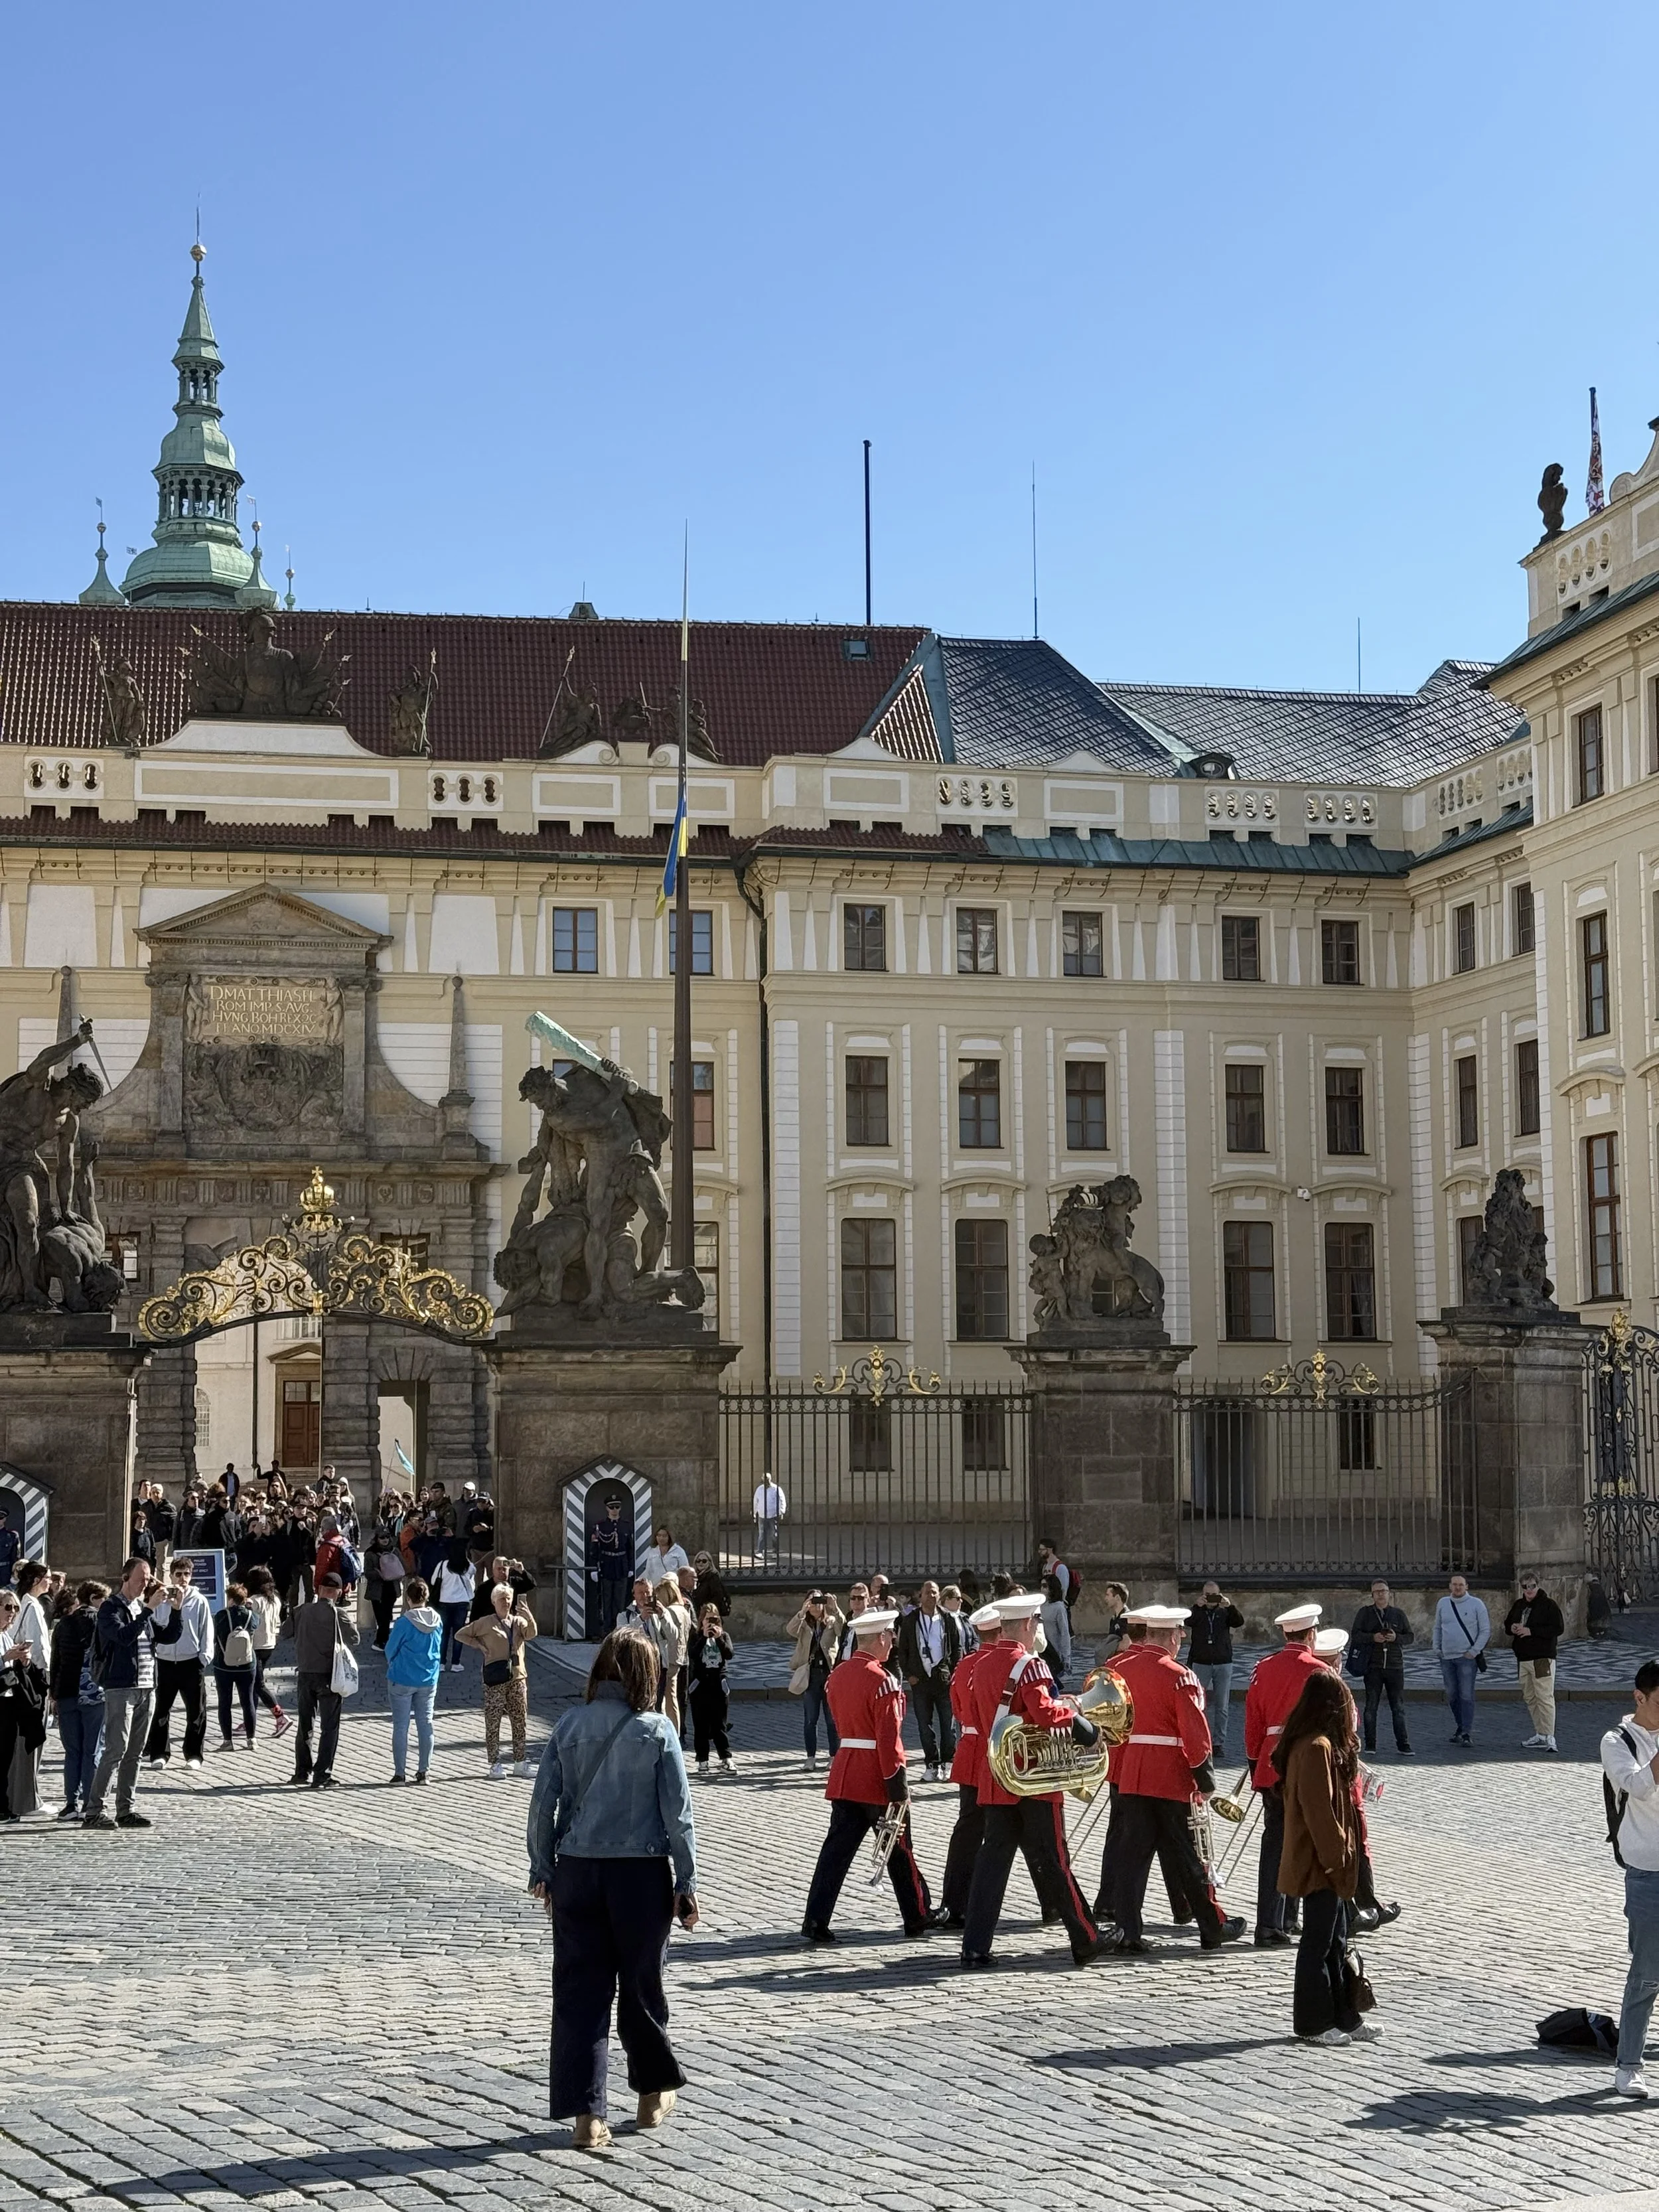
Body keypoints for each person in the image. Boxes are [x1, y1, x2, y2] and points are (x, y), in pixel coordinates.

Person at [528, 1629, 697, 2150]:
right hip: (640, 1875)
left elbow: (543, 1805)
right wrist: (687, 1880)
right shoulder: (658, 1729)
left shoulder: (569, 1723)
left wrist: (543, 1867)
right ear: (648, 1675)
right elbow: (679, 1815)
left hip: (578, 1869)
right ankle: (650, 2093)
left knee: (580, 1993)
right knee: (642, 1986)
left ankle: (587, 2116)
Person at [961, 1593, 1104, 1967]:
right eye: (1037, 1623)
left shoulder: (978, 1665)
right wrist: (1079, 1721)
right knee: (1053, 1859)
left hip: (997, 1775)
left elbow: (979, 1716)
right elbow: (1044, 1712)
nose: (1038, 1628)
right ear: (1027, 1625)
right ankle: (1085, 1938)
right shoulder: (1031, 1665)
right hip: (1033, 1777)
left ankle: (975, 1946)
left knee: (992, 1862)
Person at [1102, 1603, 1244, 1954]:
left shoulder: (1118, 1669)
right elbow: (1195, 1735)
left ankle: (1128, 1930)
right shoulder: (1179, 1676)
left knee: (1131, 1858)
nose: (1181, 1638)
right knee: (1189, 1856)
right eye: (1179, 1633)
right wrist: (1205, 1779)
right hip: (1169, 1776)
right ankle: (1212, 1925)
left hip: (1131, 1774)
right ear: (1169, 1635)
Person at [801, 1608, 942, 1941]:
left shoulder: (838, 1675)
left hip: (846, 1769)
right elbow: (889, 1740)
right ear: (880, 1638)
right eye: (890, 1635)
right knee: (899, 1847)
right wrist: (898, 1786)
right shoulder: (884, 1681)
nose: (893, 1640)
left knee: (835, 1853)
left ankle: (815, 1919)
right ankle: (917, 1915)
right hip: (876, 1776)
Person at [1275, 1670, 1376, 2049]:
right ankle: (1313, 2021)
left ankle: (1345, 2016)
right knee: (1318, 1943)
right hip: (1321, 1862)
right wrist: (1338, 1861)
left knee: (1336, 1940)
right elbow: (1320, 1813)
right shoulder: (1315, 1747)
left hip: (1329, 1862)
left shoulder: (1322, 1744)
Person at [1242, 1601, 1327, 1947]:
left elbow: (1252, 1725)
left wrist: (1254, 1764)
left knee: (1276, 1842)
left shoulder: (1262, 1669)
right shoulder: (1319, 1671)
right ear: (1311, 1634)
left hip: (1270, 1763)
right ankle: (1299, 1917)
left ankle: (1272, 1921)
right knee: (1308, 1840)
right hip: (1307, 1763)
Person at [81, 1559, 184, 1830]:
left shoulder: (140, 1608)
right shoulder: (110, 1609)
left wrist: (176, 1611)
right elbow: (123, 1636)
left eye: (149, 1579)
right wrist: (148, 1610)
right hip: (121, 1687)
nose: (146, 1584)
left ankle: (126, 1809)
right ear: (125, 1577)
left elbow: (167, 1637)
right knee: (115, 1749)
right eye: (142, 1579)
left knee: (135, 1753)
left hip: (146, 1687)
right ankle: (94, 1811)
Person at [1600, 1659, 1659, 2097]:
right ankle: (1628, 2065)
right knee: (1647, 1971)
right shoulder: (1617, 1739)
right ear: (1640, 1697)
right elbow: (1638, 1787)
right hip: (1647, 1870)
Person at [457, 1581, 539, 1779]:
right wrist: (480, 1646)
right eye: (502, 1599)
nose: (506, 1603)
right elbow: (461, 1635)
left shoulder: (518, 1622)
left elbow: (532, 1634)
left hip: (518, 1676)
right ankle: (494, 1763)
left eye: (508, 1599)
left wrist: (528, 1615)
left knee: (520, 1721)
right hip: (495, 1677)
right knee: (493, 1721)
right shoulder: (485, 1623)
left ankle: (520, 1762)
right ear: (494, 1602)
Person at [289, 1570, 359, 1789]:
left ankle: (301, 1772)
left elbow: (284, 1633)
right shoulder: (339, 1614)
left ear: (319, 1590)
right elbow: (355, 1639)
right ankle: (322, 1774)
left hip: (306, 1674)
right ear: (338, 1593)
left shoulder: (301, 1611)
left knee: (305, 1724)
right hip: (330, 1676)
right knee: (329, 1727)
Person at [142, 1555, 214, 1769]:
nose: (183, 1578)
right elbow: (152, 1625)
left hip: (191, 1661)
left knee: (196, 1711)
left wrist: (204, 1657)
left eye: (187, 1574)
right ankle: (159, 1753)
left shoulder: (199, 1600)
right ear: (171, 1576)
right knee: (160, 1710)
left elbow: (206, 1630)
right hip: (164, 1662)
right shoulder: (161, 1599)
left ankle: (194, 1755)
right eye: (179, 1574)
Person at [48, 1579, 106, 1820]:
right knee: (92, 1750)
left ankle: (70, 1803)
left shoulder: (63, 1625)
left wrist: (54, 1692)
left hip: (67, 1693)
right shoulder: (101, 1623)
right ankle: (89, 1805)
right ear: (93, 1599)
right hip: (94, 1693)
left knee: (72, 1751)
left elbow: (56, 1661)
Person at [897, 1578, 962, 1779]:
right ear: (920, 1596)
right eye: (927, 1592)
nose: (931, 1596)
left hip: (943, 1678)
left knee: (948, 1723)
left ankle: (948, 1762)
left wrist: (954, 1671)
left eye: (934, 1592)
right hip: (920, 1680)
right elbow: (903, 1650)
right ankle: (932, 1764)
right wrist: (910, 1675)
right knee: (924, 1725)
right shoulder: (911, 1620)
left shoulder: (947, 1619)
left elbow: (957, 1647)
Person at [386, 1574, 443, 1785]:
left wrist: (392, 1662)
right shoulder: (437, 1620)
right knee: (426, 1724)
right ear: (426, 1597)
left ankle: (400, 1773)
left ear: (408, 1599)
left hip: (401, 1678)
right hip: (428, 1679)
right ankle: (424, 1772)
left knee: (401, 1726)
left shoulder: (404, 1622)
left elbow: (390, 1649)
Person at [1348, 1580, 1413, 1755]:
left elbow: (1410, 1637)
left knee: (1398, 1707)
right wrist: (1373, 1637)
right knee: (1371, 1707)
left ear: (1389, 1593)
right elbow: (1355, 1635)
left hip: (1394, 1666)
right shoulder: (1365, 1613)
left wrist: (1395, 1638)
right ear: (1372, 1595)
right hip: (1373, 1666)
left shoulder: (1398, 1614)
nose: (1380, 1594)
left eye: (1383, 1591)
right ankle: (1370, 1745)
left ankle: (1403, 1744)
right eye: (1377, 1592)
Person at [786, 1588, 845, 1769]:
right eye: (812, 1602)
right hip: (810, 1675)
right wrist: (802, 1612)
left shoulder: (831, 1621)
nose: (816, 1606)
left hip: (829, 1674)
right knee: (811, 1719)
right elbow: (790, 1630)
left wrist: (835, 1609)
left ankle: (833, 1756)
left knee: (831, 1719)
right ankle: (810, 1758)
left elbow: (843, 1630)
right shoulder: (804, 1623)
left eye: (819, 1601)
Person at [1505, 1572, 1564, 1753]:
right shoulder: (1519, 1605)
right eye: (1525, 1587)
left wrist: (1531, 1631)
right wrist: (1513, 1627)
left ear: (1538, 1585)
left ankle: (1550, 1736)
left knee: (1545, 1696)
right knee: (1530, 1697)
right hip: (1523, 1658)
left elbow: (1558, 1628)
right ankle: (1541, 1733)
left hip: (1542, 1657)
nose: (1529, 1590)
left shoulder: (1549, 1605)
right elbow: (1507, 1625)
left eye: (1532, 1586)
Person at [1187, 1581, 1244, 1763]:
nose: (1211, 1599)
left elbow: (1239, 1622)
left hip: (1223, 1663)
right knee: (1199, 1705)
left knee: (1222, 1706)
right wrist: (1197, 1606)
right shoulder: (1197, 1611)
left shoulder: (1225, 1612)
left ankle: (1219, 1743)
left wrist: (1231, 1606)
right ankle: (1201, 1740)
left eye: (1214, 1595)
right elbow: (1187, 1622)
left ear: (1220, 1595)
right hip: (1201, 1662)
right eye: (1207, 1594)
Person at [1433, 1573, 1490, 1747]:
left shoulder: (1477, 1605)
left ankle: (1466, 1731)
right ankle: (1460, 1726)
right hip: (1447, 1657)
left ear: (1467, 1587)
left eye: (1461, 1585)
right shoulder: (1443, 1603)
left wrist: (1473, 1651)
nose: (1458, 1588)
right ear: (1450, 1586)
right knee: (1452, 1695)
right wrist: (1437, 1646)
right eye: (1455, 1584)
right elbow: (1438, 1626)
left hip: (1467, 1658)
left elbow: (1485, 1630)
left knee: (1466, 1695)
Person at [686, 1602, 735, 1773]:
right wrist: (704, 1637)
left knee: (719, 1724)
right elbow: (692, 1654)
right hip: (700, 1684)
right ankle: (702, 1760)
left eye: (715, 1619)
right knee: (700, 1724)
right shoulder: (696, 1636)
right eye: (708, 1620)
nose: (712, 1624)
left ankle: (726, 1758)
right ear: (702, 1621)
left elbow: (729, 1654)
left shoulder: (724, 1635)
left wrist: (719, 1638)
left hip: (718, 1684)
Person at [211, 1582, 260, 1749]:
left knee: (225, 1702)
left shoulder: (220, 1616)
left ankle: (227, 1741)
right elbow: (256, 1624)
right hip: (248, 1664)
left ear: (230, 1599)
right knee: (248, 1702)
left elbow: (214, 1635)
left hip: (224, 1665)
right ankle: (251, 1739)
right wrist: (249, 1609)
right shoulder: (251, 1616)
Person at [242, 1565, 289, 1736]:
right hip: (270, 1644)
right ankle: (249, 1720)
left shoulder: (254, 1601)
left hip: (255, 1646)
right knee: (252, 1684)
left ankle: (280, 1717)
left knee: (258, 1685)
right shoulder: (275, 1599)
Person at [587, 1494, 634, 1639]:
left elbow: (630, 1549)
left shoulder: (626, 1526)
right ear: (607, 1508)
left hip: (621, 1566)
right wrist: (594, 1568)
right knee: (606, 1600)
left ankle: (619, 1629)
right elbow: (594, 1550)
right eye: (612, 1507)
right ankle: (606, 1630)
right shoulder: (600, 1526)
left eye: (617, 1507)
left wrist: (631, 1567)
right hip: (606, 1565)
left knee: (620, 1601)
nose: (615, 1510)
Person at [367, 1505, 407, 1648]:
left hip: (391, 1589)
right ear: (377, 1539)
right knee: (382, 1618)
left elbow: (403, 1567)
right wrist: (380, 1574)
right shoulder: (370, 1553)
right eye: (382, 1538)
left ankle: (382, 1641)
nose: (385, 1540)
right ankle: (382, 1641)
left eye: (387, 1537)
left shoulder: (394, 1550)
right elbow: (368, 1572)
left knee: (387, 1616)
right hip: (377, 1590)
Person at [433, 1540, 476, 1672]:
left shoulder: (442, 1565)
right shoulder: (469, 1566)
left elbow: (433, 1581)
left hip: (444, 1602)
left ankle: (441, 1663)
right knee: (458, 1634)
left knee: (444, 1634)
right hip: (462, 1603)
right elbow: (472, 1581)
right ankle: (456, 1663)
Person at [1037, 1573, 1073, 1692]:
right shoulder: (1038, 1606)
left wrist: (1066, 1656)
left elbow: (1064, 1632)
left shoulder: (1059, 1607)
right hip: (1041, 1647)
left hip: (1053, 1650)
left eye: (1045, 1586)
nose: (1042, 1589)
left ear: (1052, 1588)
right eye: (1041, 1586)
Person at [642, 1526, 690, 1591]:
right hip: (656, 1588)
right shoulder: (652, 1552)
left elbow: (685, 1570)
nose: (661, 1538)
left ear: (669, 1537)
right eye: (659, 1535)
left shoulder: (678, 1551)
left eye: (664, 1536)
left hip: (673, 1587)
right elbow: (649, 1571)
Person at [689, 1548, 731, 1621]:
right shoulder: (695, 1577)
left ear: (709, 1563)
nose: (701, 1563)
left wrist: (708, 1610)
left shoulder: (713, 1576)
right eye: (698, 1561)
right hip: (697, 1614)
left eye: (704, 1561)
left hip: (709, 1615)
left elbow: (717, 1597)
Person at [752, 1473, 786, 1562]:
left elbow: (782, 1500)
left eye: (768, 1479)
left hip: (773, 1515)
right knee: (762, 1534)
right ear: (762, 1479)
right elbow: (756, 1501)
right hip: (762, 1515)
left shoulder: (776, 1489)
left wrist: (781, 1512)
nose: (767, 1481)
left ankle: (775, 1551)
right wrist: (754, 1513)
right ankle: (760, 1551)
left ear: (771, 1479)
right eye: (765, 1479)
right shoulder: (760, 1489)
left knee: (774, 1534)